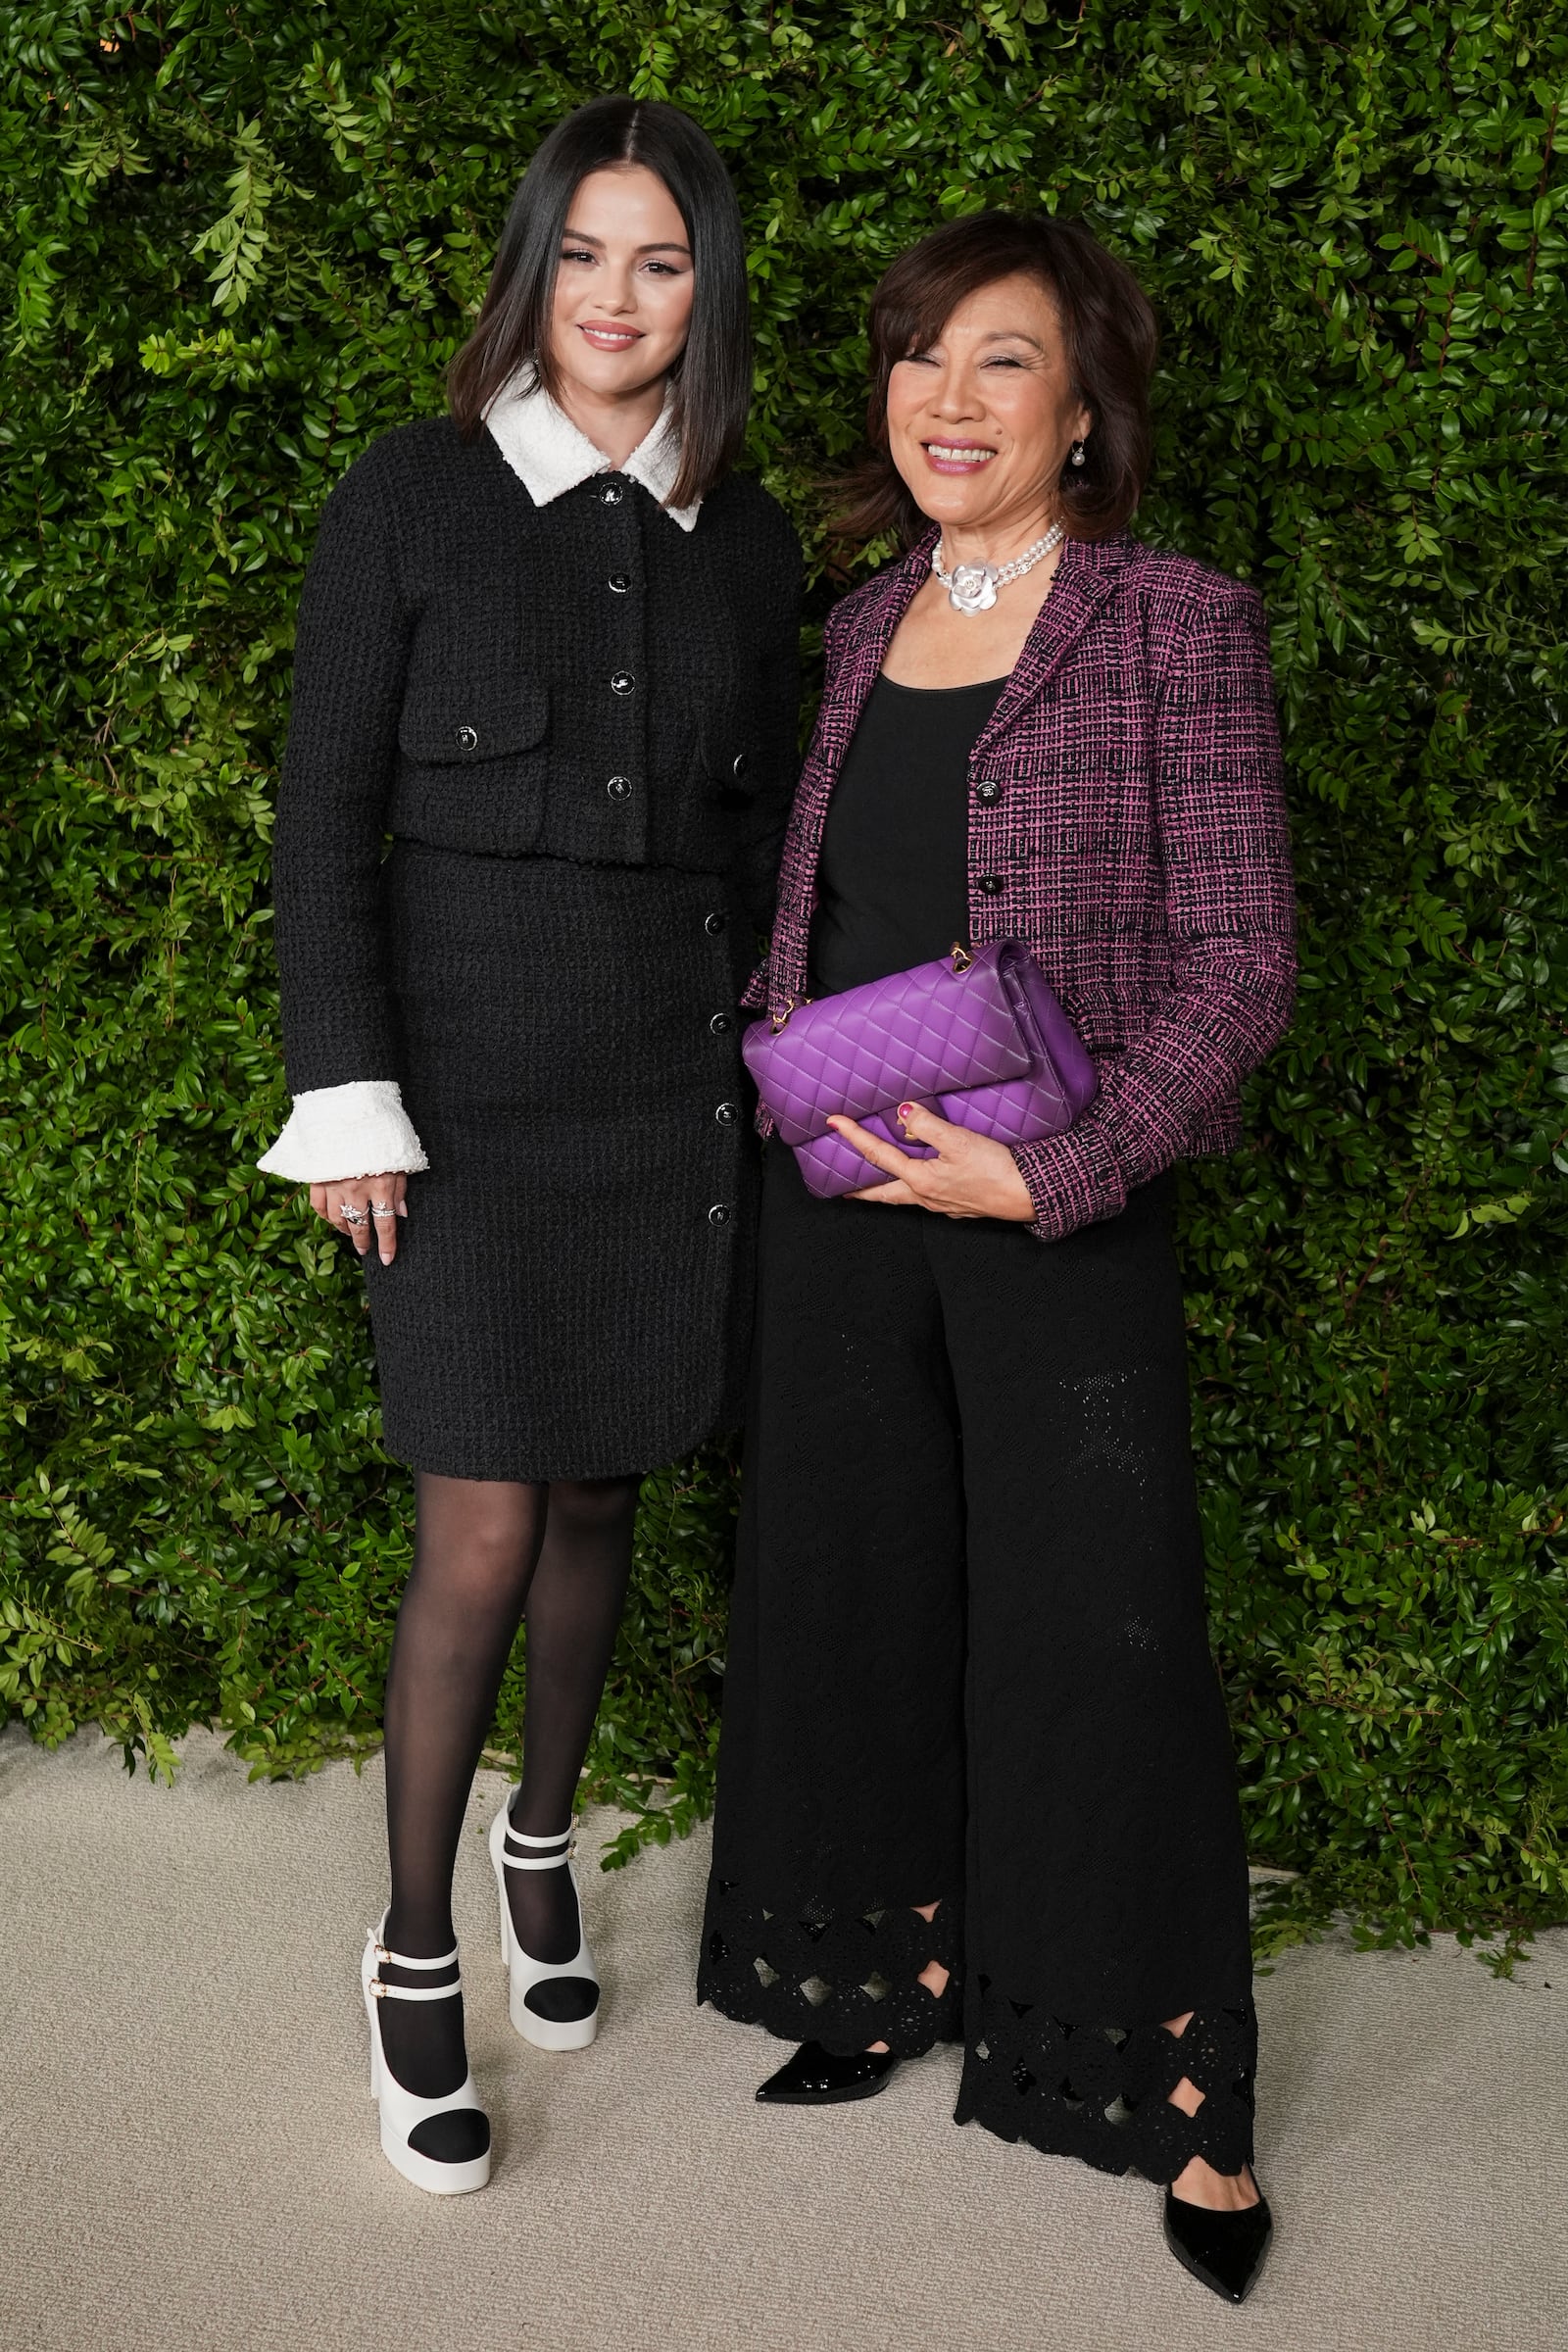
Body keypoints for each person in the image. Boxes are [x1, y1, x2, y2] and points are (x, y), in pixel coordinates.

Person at [698, 212, 1295, 2305]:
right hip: (842, 1201)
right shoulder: (857, 625)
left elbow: (1237, 969)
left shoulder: (1169, 622)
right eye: (919, 359)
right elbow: (826, 916)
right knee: (850, 1590)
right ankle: (880, 1968)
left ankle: (1178, 2103)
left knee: (1098, 1640)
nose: (948, 402)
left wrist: (1057, 1175)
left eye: (1002, 364)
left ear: (1080, 406)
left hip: (1055, 1208)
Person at [260, 95, 800, 2195]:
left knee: (598, 1488)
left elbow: (759, 838)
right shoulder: (406, 494)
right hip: (462, 1097)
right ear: (528, 267)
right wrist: (346, 1101)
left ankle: (543, 1829)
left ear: (705, 289)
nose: (615, 299)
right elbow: (322, 822)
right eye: (582, 254)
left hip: (661, 1083)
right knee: (476, 1523)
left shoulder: (744, 533)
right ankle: (411, 1954)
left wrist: (777, 1070)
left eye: (659, 261)